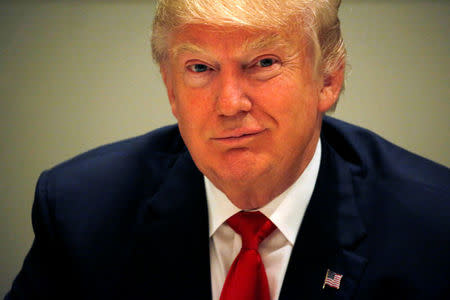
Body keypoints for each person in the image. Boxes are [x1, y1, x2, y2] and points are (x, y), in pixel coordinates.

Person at [5, 0, 450, 299]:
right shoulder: (81, 208)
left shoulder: (434, 224)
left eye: (263, 64)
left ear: (328, 79)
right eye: (200, 67)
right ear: (170, 88)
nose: (229, 104)